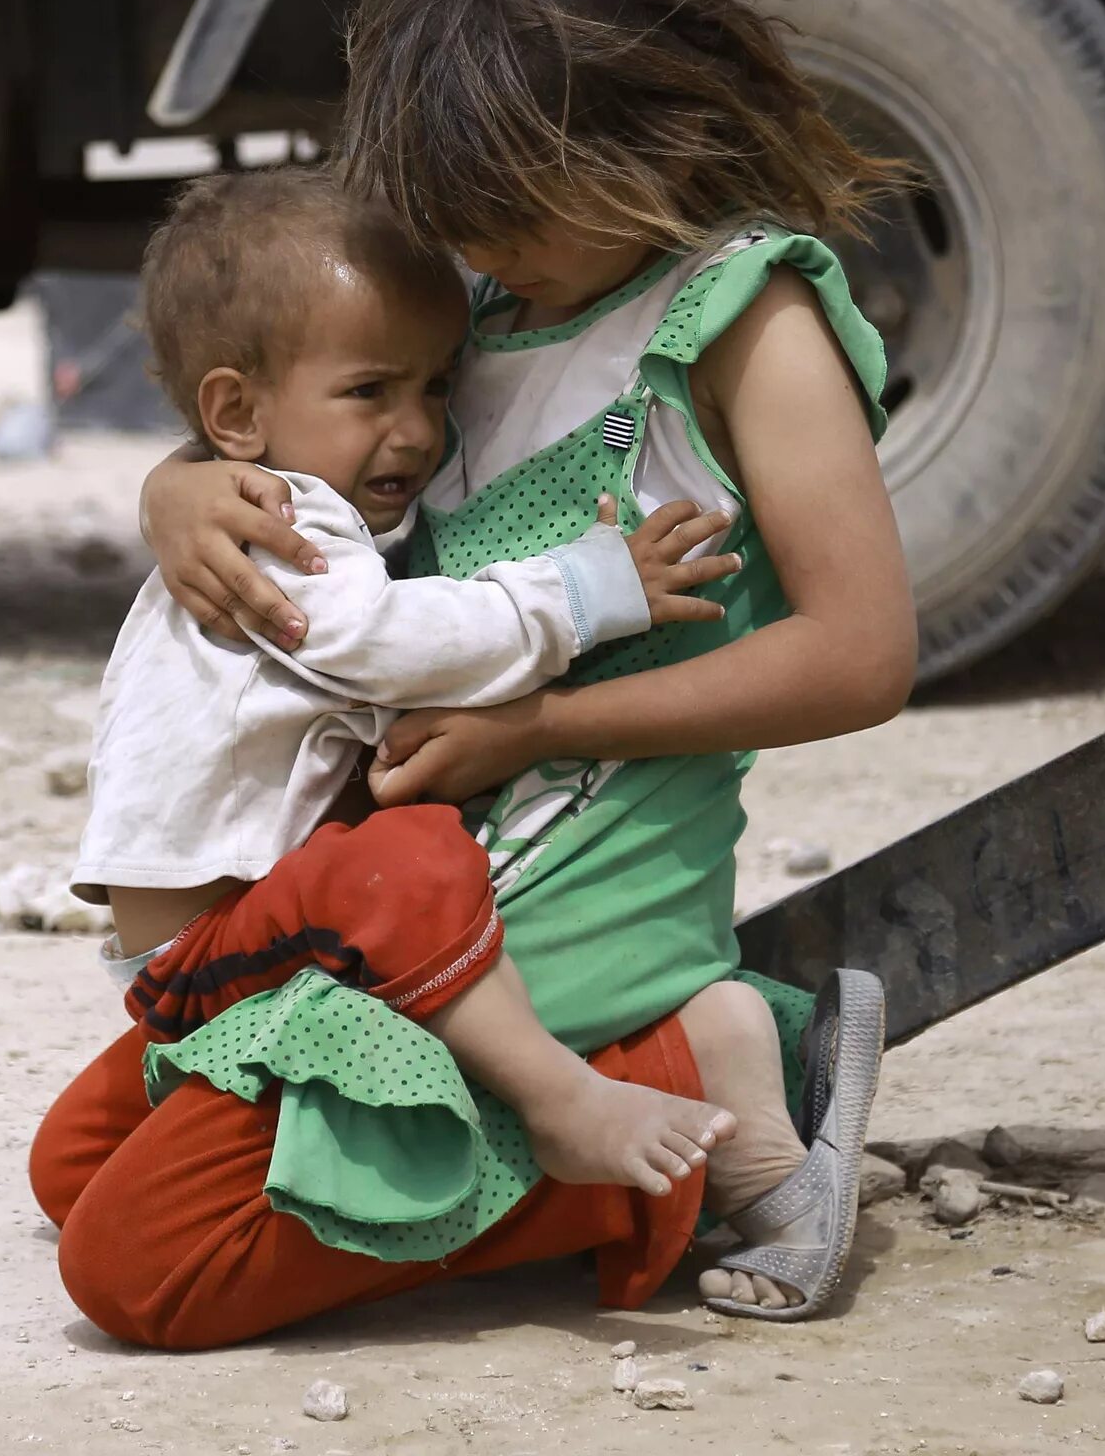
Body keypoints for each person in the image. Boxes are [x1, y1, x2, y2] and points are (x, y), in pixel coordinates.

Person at [35, 0, 916, 1344]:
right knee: (82, 1167)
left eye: (509, 211)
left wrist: (546, 719)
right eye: (464, 218)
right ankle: (682, 1061)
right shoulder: (488, 313)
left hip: (574, 874)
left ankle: (688, 1092)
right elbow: (311, 447)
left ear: (643, 136)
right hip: (403, 874)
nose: (482, 250)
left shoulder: (746, 320)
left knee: (142, 1268)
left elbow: (860, 654)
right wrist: (182, 488)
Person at [69, 166, 746, 1197]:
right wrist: (589, 589)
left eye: (435, 386)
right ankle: (561, 1099)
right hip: (222, 941)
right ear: (235, 412)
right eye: (370, 390)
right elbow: (383, 638)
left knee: (77, 1168)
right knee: (408, 856)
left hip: (189, 960)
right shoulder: (285, 522)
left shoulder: (250, 500)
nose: (420, 428)